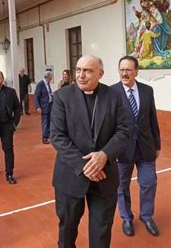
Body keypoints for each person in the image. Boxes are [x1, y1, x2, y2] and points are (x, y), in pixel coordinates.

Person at [50, 55, 130, 248]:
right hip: (71, 175)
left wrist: (105, 155)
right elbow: (57, 136)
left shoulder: (114, 96)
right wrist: (87, 165)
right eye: (78, 70)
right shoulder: (62, 96)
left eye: (87, 70)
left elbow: (124, 130)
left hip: (104, 177)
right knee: (67, 229)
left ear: (100, 74)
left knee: (102, 231)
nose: (81, 75)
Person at [111, 55, 161, 237]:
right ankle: (126, 218)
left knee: (149, 183)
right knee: (121, 186)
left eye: (128, 70)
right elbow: (107, 124)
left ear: (136, 71)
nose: (125, 73)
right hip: (122, 150)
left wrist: (157, 144)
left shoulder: (147, 90)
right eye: (122, 70)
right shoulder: (110, 92)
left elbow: (152, 118)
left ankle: (147, 216)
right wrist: (110, 150)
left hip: (146, 147)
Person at [34, 71, 54, 144]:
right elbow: (36, 96)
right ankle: (44, 137)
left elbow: (48, 93)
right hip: (44, 106)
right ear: (48, 77)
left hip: (50, 105)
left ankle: (48, 136)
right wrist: (38, 107)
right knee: (45, 121)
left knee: (49, 121)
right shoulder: (40, 84)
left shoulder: (47, 84)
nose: (51, 79)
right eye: (51, 77)